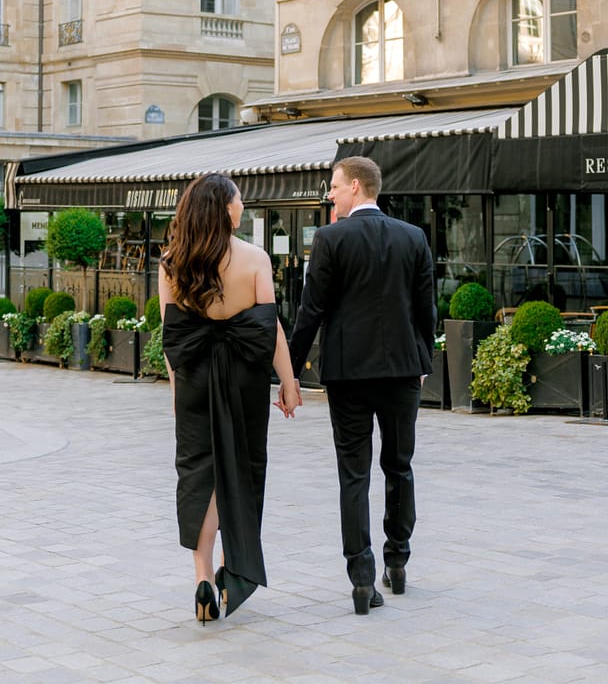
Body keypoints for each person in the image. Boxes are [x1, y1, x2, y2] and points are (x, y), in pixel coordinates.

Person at [280, 156, 436, 615]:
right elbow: (425, 308)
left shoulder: (330, 239)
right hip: (403, 371)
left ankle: (362, 578)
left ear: (354, 186)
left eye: (333, 186)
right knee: (399, 465)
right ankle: (399, 560)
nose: (330, 194)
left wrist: (288, 373)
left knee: (354, 473)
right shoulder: (413, 237)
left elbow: (311, 311)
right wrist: (422, 359)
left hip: (348, 374)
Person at [159, 172, 300, 625]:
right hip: (244, 378)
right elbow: (271, 327)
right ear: (223, 208)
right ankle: (234, 568)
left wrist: (177, 391)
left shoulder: (171, 263)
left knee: (199, 470)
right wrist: (290, 382)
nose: (242, 207)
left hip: (196, 375)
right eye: (239, 201)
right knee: (239, 465)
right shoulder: (254, 258)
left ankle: (202, 575)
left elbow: (172, 340)